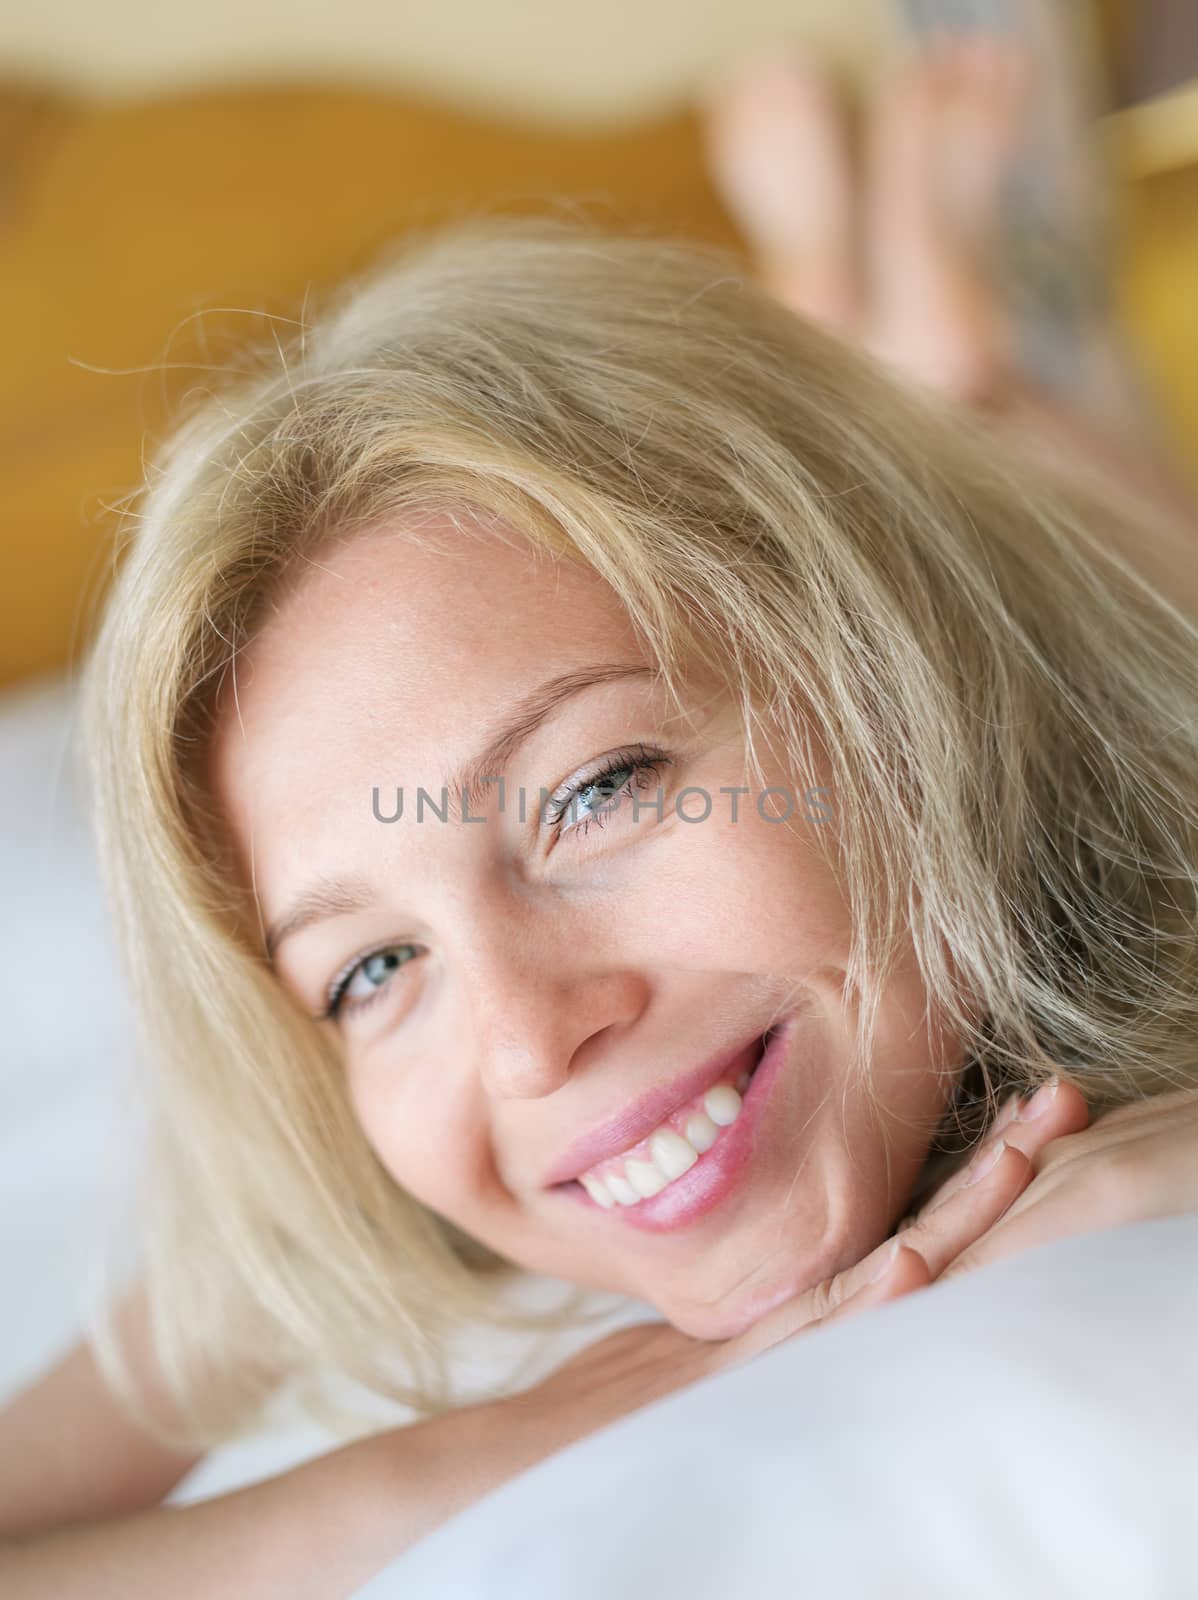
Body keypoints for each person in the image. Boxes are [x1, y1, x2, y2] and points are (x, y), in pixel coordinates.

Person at [3, 32, 1197, 1597]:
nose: (519, 1040)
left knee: (1102, 582)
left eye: (593, 791)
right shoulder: (382, 1172)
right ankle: (919, 349)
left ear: (881, 683)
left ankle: (957, 364)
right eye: (369, 969)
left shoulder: (1027, 710)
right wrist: (464, 1455)